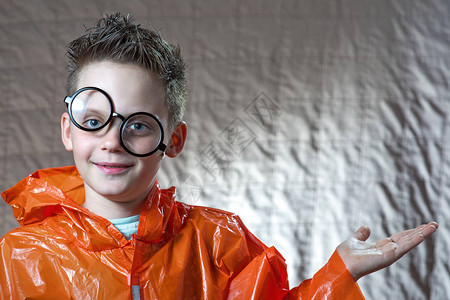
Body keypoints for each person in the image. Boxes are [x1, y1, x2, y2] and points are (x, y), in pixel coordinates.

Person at [0, 13, 438, 299]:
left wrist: (337, 273)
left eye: (138, 125)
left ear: (173, 140)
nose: (113, 140)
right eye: (93, 119)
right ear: (67, 130)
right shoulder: (20, 256)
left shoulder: (217, 242)